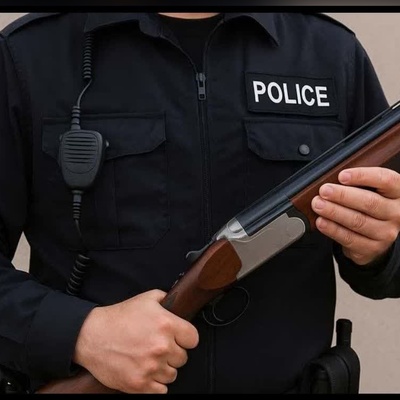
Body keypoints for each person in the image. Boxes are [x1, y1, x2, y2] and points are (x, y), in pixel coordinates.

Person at [0, 11, 399, 395]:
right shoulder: (29, 54)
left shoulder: (329, 51)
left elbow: (392, 258)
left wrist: (380, 247)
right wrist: (81, 332)